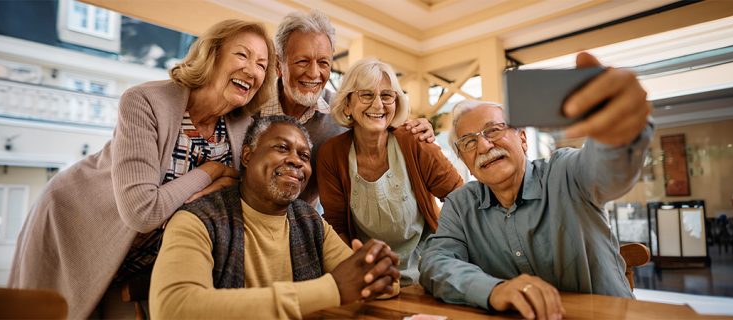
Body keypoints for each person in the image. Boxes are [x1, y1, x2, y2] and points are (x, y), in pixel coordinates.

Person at [8, 20, 277, 318]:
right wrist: (211, 172)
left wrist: (227, 184)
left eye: (262, 65)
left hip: (147, 257)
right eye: (242, 55)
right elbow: (142, 211)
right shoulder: (145, 101)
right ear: (211, 55)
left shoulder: (243, 126)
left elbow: (241, 192)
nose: (253, 71)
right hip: (78, 221)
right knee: (47, 312)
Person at [419, 52, 653, 320]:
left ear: (523, 138)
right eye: (469, 142)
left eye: (493, 130)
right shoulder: (461, 205)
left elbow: (609, 171)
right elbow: (435, 263)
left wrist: (620, 133)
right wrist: (493, 290)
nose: (483, 146)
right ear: (466, 163)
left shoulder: (565, 173)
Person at [149, 115, 400, 319]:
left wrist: (379, 269)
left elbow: (371, 282)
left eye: (304, 156)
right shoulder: (197, 219)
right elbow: (173, 308)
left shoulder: (310, 221)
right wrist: (331, 289)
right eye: (282, 148)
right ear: (247, 156)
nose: (296, 161)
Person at [260, 10, 435, 205]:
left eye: (323, 63)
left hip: (305, 223)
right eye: (303, 61)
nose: (314, 73)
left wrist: (418, 129)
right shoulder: (250, 106)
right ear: (278, 65)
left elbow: (381, 124)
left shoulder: (344, 109)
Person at [317, 58, 463, 286]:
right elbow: (337, 226)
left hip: (428, 273)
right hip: (370, 276)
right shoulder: (331, 154)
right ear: (347, 104)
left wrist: (442, 252)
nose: (378, 105)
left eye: (386, 96)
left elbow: (459, 197)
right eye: (366, 95)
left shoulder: (415, 140)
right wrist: (360, 273)